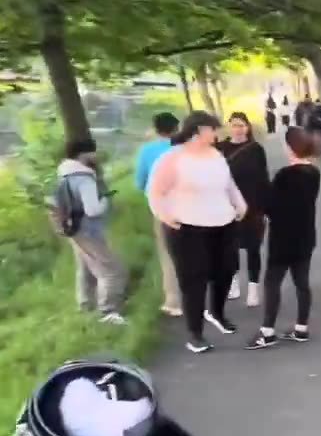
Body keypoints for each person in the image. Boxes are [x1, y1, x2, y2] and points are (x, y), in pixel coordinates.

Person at [148, 111, 248, 354]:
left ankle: (217, 312)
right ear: (198, 130)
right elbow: (155, 192)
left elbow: (228, 184)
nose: (216, 133)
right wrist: (165, 216)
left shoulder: (216, 155)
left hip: (223, 223)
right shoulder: (173, 159)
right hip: (187, 227)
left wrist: (240, 203)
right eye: (213, 129)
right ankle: (195, 334)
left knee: (226, 270)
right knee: (194, 280)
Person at [246, 127, 321, 350]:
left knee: (272, 282)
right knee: (302, 283)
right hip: (306, 235)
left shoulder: (284, 175)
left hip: (283, 237)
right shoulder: (314, 173)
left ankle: (267, 332)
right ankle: (301, 328)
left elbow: (270, 206)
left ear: (290, 147)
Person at [58, 138, 127, 325]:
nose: (96, 155)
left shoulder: (65, 174)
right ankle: (108, 311)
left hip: (73, 227)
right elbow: (93, 209)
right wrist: (105, 200)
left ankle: (85, 304)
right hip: (89, 229)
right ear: (84, 153)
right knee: (110, 269)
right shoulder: (84, 178)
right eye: (93, 152)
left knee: (85, 268)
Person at [216, 112, 271, 307]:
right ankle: (234, 283)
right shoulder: (220, 148)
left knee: (253, 248)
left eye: (241, 125)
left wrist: (267, 208)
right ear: (228, 127)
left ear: (247, 127)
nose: (238, 129)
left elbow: (264, 179)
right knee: (230, 248)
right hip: (227, 205)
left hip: (253, 206)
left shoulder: (256, 149)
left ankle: (254, 288)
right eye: (234, 125)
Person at [134, 112, 182, 316]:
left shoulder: (147, 151)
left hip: (161, 207)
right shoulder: (185, 149)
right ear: (176, 128)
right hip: (188, 205)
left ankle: (174, 302)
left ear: (156, 129)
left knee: (167, 253)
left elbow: (139, 182)